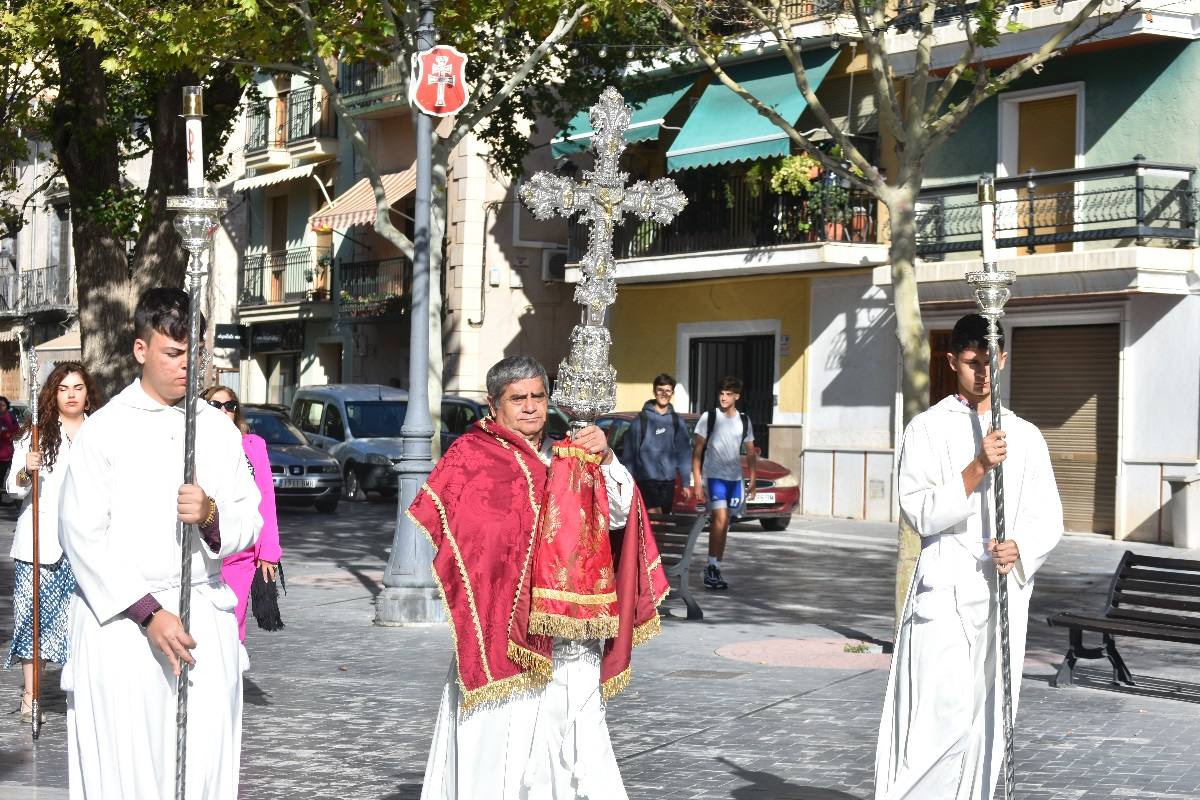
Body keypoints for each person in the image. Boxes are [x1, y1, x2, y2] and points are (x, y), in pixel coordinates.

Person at [412, 355, 668, 800]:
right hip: (505, 632)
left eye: (538, 396)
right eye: (518, 399)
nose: (530, 407)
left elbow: (621, 516)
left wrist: (605, 458)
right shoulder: (469, 456)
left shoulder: (572, 454)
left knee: (574, 740)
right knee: (501, 749)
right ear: (494, 405)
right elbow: (475, 540)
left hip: (571, 635)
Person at [58, 288, 262, 798]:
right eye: (173, 353)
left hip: (202, 618)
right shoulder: (103, 432)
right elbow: (82, 535)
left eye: (194, 353)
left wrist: (212, 516)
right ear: (140, 349)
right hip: (124, 625)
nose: (186, 366)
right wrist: (150, 613)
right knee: (131, 770)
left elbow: (251, 516)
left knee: (204, 765)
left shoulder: (219, 431)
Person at [874, 313, 1063, 800]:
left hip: (1001, 594)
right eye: (972, 362)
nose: (982, 373)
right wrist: (978, 466)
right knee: (937, 714)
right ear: (952, 360)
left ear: (1002, 360)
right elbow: (920, 513)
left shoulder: (1026, 435)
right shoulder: (926, 429)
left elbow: (1048, 517)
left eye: (990, 362)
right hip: (944, 593)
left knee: (989, 716)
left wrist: (1020, 546)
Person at [4, 362, 99, 723]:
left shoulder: (100, 432)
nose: (72, 394)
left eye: (78, 387)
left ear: (88, 392)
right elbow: (14, 486)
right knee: (33, 621)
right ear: (53, 394)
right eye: (64, 388)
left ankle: (87, 689)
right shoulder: (37, 433)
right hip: (38, 546)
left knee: (84, 620)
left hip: (86, 544)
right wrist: (28, 468)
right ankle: (32, 696)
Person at [201, 385, 281, 652]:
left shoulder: (253, 446)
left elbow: (266, 498)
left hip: (240, 551)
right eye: (215, 405)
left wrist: (268, 551)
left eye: (230, 405)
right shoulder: (192, 444)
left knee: (232, 623)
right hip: (201, 550)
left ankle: (229, 678)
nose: (223, 410)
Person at [691, 376, 756, 591]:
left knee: (725, 524)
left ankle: (716, 566)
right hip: (714, 476)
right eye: (721, 393)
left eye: (729, 394)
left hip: (734, 479)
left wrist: (753, 479)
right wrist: (698, 481)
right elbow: (698, 451)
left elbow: (750, 451)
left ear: (737, 396)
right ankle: (710, 565)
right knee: (719, 519)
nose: (723, 397)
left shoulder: (744, 420)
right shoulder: (709, 417)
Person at [622, 373, 693, 514]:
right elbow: (630, 454)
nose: (664, 394)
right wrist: (628, 481)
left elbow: (684, 454)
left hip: (668, 481)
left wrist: (685, 483)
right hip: (646, 480)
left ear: (672, 393)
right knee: (654, 518)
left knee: (663, 520)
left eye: (668, 390)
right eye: (660, 390)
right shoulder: (641, 420)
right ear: (654, 391)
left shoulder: (677, 421)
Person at [0, 395, 19, 505]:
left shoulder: (10, 417)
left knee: (5, 476)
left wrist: (6, 434)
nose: (0, 407)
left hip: (6, 454)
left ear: (7, 406)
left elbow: (16, 431)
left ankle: (12, 499)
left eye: (3, 405)